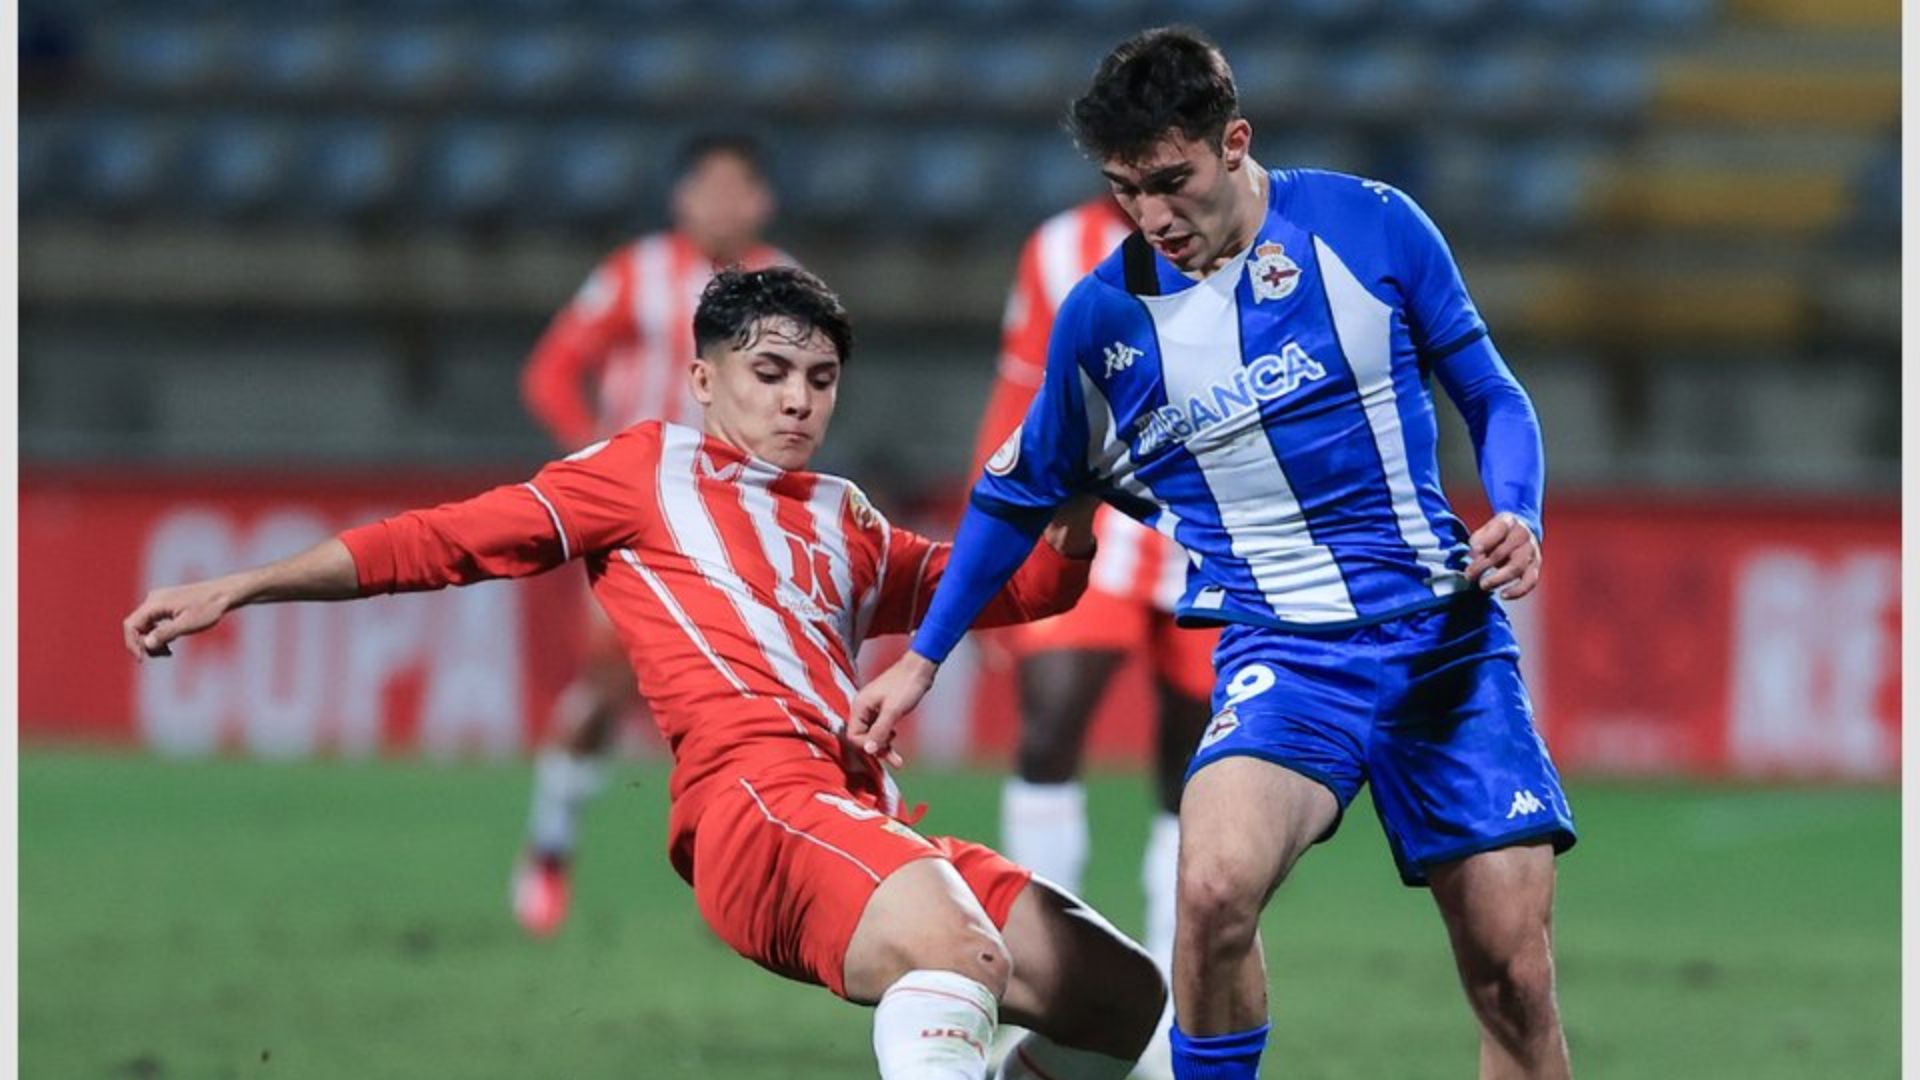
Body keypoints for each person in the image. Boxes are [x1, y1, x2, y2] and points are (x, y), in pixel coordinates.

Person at [124, 267, 1164, 1080]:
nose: (798, 400)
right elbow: (440, 543)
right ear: (705, 378)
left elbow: (1006, 594)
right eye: (770, 373)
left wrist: (1071, 514)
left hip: (859, 814)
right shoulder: (641, 473)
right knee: (959, 955)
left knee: (1121, 994)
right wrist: (248, 585)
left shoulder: (842, 514)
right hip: (753, 807)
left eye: (820, 378)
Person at [854, 28, 1577, 1080]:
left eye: (1171, 181)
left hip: (1444, 645)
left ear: (1234, 142)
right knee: (1211, 890)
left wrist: (1519, 508)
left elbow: (1491, 392)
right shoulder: (1105, 322)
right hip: (1287, 655)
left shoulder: (1369, 227)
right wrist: (923, 655)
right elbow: (1014, 494)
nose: (1152, 216)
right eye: (1123, 190)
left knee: (1511, 973)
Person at [514, 133, 790, 936]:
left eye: (740, 189)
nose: (724, 204)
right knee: (607, 686)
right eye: (710, 187)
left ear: (761, 202)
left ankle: (749, 879)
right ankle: (550, 848)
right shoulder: (637, 274)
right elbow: (551, 370)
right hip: (637, 516)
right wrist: (595, 458)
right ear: (682, 198)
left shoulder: (787, 286)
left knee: (749, 700)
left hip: (740, 518)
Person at [974, 196, 1218, 1077]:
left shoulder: (1251, 239)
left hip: (1208, 532)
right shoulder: (1059, 249)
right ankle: (1048, 977)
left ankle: (1164, 994)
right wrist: (991, 541)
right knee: (1048, 727)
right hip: (1089, 524)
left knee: (1192, 769)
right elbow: (1018, 390)